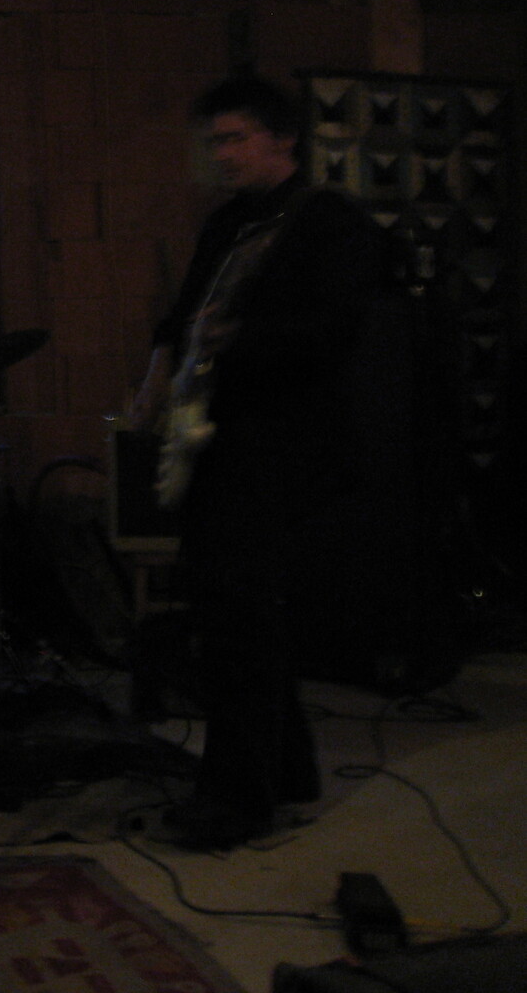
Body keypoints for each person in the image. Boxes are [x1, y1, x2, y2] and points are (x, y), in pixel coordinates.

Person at [129, 74, 386, 850]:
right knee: (233, 617)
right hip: (219, 441)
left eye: (235, 138)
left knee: (241, 624)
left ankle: (237, 800)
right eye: (213, 141)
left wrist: (232, 342)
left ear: (282, 139)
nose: (221, 154)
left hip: (278, 446)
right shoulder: (226, 222)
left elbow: (330, 333)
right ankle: (288, 771)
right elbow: (181, 317)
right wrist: (154, 381)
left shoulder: (329, 222)